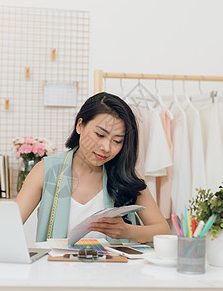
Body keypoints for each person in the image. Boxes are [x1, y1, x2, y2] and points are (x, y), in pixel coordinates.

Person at [16, 92, 171, 243]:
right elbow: (9, 225)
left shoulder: (125, 176)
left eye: (117, 141)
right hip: (56, 268)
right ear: (80, 125)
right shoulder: (46, 171)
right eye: (100, 135)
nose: (106, 147)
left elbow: (163, 231)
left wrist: (128, 231)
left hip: (115, 268)